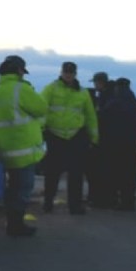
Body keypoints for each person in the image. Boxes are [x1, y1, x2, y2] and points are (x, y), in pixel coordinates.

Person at [0, 55, 49, 237]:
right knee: (23, 189)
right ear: (19, 70)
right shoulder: (21, 89)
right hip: (25, 149)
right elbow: (41, 108)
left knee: (12, 188)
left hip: (7, 149)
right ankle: (16, 226)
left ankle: (12, 223)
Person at [40, 61, 99, 215]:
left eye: (71, 72)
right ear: (61, 72)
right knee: (52, 172)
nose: (68, 75)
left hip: (75, 135)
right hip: (55, 135)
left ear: (75, 74)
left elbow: (90, 116)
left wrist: (94, 138)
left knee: (76, 173)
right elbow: (41, 109)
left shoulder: (82, 93)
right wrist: (41, 131)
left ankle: (75, 206)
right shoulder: (51, 89)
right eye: (66, 72)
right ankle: (48, 202)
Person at [106, 78, 136, 210]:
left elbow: (105, 120)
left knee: (116, 172)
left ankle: (117, 199)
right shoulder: (135, 103)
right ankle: (129, 200)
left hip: (117, 143)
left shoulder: (114, 103)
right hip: (133, 143)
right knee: (131, 173)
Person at [86, 72, 116, 208]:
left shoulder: (107, 96)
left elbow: (102, 116)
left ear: (100, 82)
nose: (95, 85)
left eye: (95, 82)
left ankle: (101, 199)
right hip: (108, 140)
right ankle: (104, 198)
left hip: (105, 140)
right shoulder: (110, 95)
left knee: (100, 171)